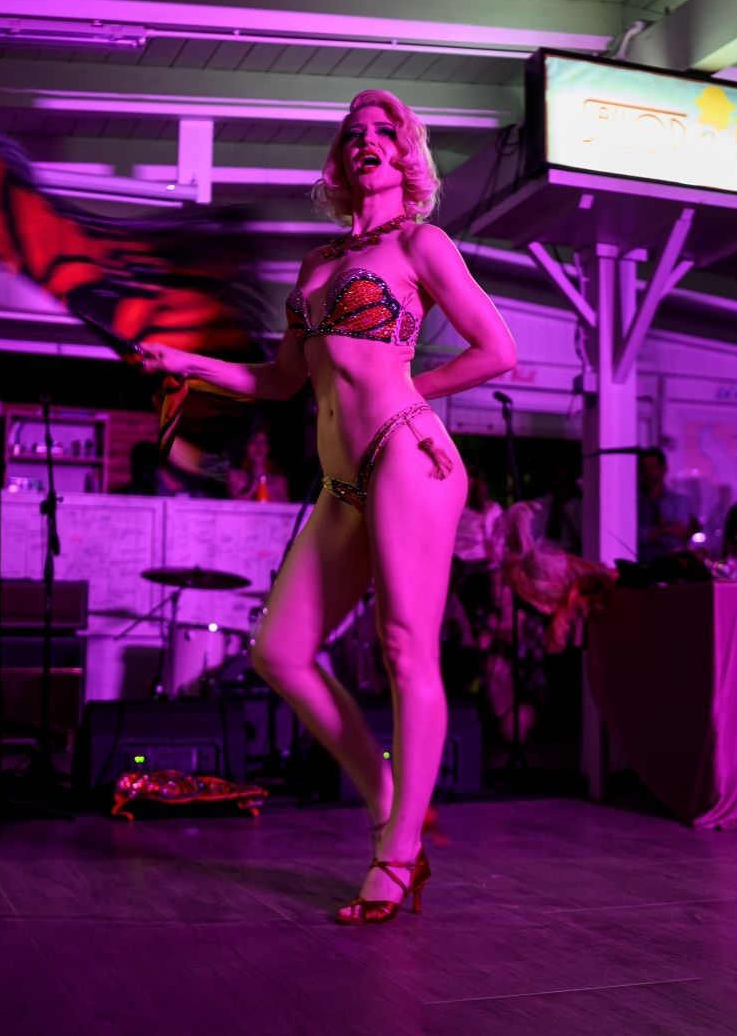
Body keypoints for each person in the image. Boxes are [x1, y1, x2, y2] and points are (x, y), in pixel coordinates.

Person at [142, 89, 516, 923]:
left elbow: (498, 350)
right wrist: (184, 362)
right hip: (340, 480)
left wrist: (412, 393)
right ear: (341, 159)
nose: (367, 141)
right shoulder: (314, 265)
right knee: (278, 649)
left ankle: (398, 853)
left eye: (386, 131)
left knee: (405, 648)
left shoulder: (422, 243)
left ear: (406, 154)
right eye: (354, 134)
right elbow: (281, 380)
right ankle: (388, 797)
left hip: (407, 454)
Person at [636, 446, 699, 561]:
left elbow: (680, 533)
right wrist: (665, 529)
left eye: (652, 467)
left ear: (664, 468)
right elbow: (636, 536)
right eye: (644, 467)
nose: (647, 472)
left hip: (672, 562)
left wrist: (653, 533)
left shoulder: (679, 501)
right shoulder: (634, 503)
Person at [226, 425, 290, 502]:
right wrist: (257, 479)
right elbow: (239, 503)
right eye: (253, 441)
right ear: (246, 446)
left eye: (263, 442)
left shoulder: (279, 481)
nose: (259, 446)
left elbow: (285, 506)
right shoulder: (235, 475)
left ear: (268, 448)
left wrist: (262, 474)